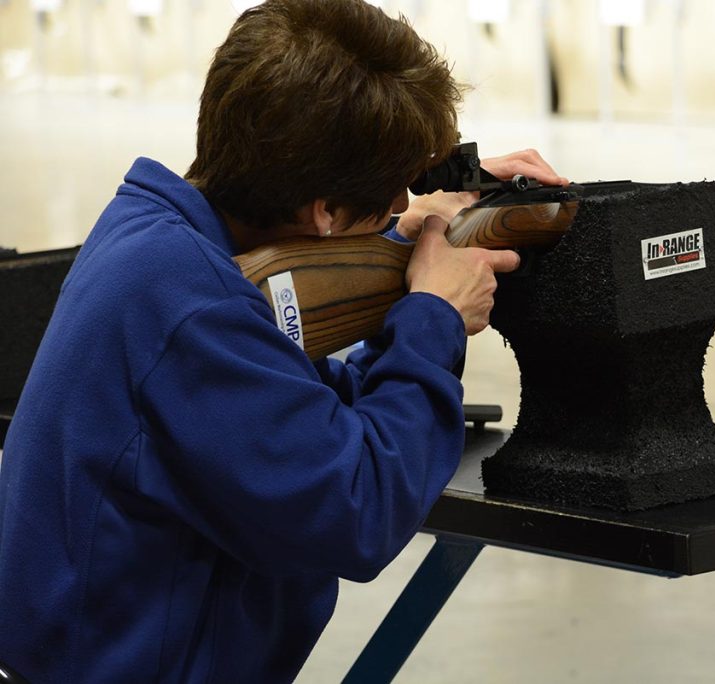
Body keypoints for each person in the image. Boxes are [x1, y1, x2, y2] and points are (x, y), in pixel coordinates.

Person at [0, 0, 565, 681]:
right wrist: (433, 314)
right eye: (393, 195)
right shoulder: (193, 308)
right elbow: (361, 510)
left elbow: (305, 412)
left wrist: (405, 231)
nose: (403, 209)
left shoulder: (156, 237)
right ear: (324, 212)